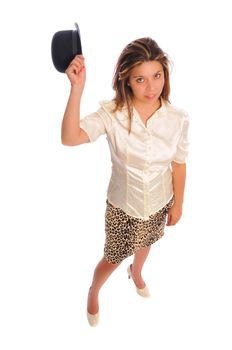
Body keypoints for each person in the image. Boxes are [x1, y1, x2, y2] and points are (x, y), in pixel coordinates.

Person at [61, 37, 190, 327]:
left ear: (165, 75)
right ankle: (94, 290)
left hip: (160, 199)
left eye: (157, 76)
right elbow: (69, 138)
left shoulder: (178, 118)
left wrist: (178, 203)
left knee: (148, 241)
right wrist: (77, 89)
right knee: (112, 257)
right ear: (127, 81)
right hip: (123, 204)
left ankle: (138, 271)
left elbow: (179, 162)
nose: (151, 87)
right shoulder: (112, 114)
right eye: (140, 79)